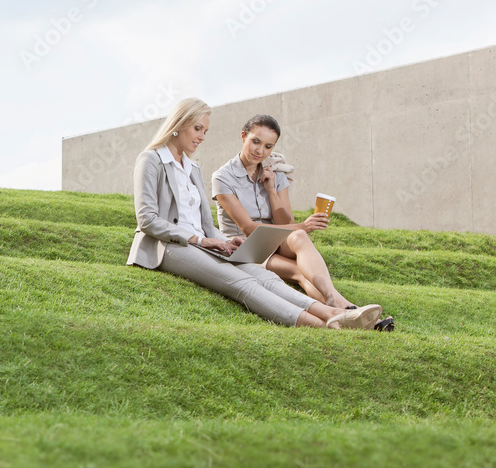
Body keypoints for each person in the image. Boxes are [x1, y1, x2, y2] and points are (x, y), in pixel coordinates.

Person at [126, 98, 382, 329]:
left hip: (202, 242)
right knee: (242, 283)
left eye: (205, 130)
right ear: (179, 124)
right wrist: (201, 241)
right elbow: (147, 220)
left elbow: (204, 224)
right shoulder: (151, 160)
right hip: (168, 245)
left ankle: (335, 312)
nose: (202, 136)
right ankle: (328, 327)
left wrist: (224, 241)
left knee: (266, 278)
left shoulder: (192, 168)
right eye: (197, 129)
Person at [211, 114, 394, 331]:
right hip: (247, 248)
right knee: (299, 269)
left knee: (299, 236)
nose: (260, 151)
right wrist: (304, 226)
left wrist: (271, 189)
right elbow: (248, 228)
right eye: (255, 141)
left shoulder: (274, 173)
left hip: (275, 240)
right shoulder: (222, 177)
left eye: (268, 146)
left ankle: (339, 306)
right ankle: (347, 309)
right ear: (243, 137)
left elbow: (285, 221)